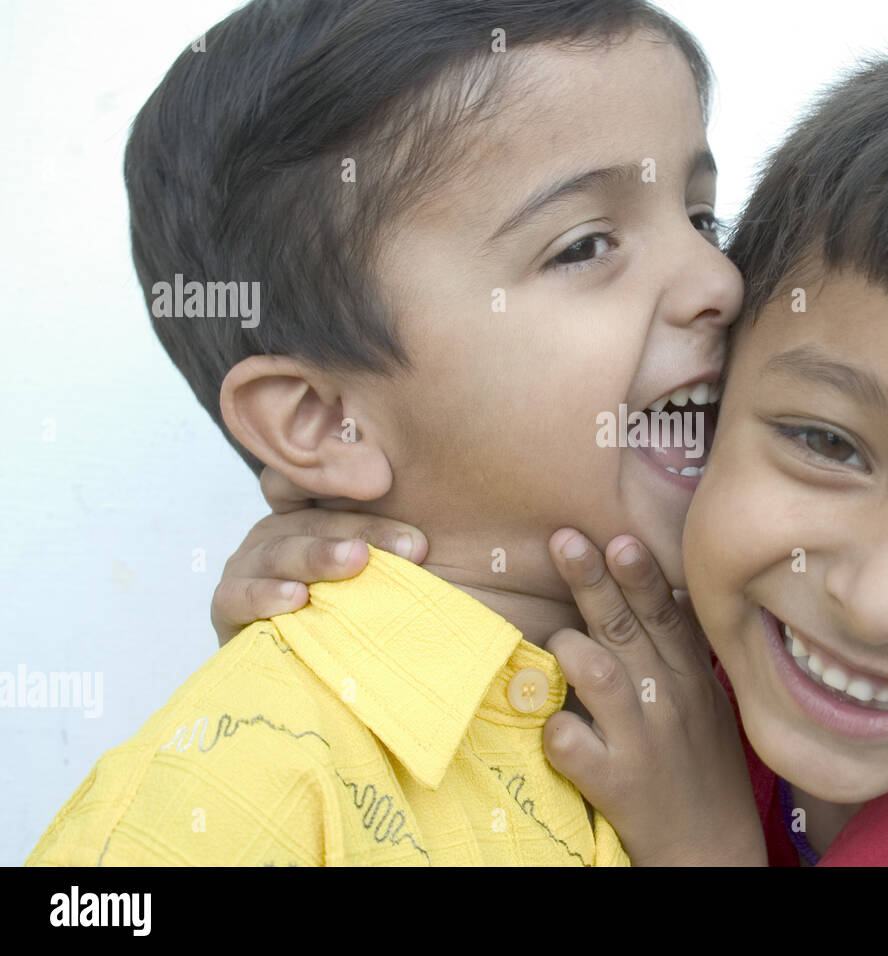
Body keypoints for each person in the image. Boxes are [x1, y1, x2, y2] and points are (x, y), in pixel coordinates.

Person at [217, 18, 888, 865]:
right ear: (720, 392)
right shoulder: (669, 602)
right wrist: (347, 605)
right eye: (828, 442)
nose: (878, 600)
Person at [27, 0, 762, 867]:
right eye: (584, 245)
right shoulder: (230, 795)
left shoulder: (787, 665)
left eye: (703, 219)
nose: (717, 277)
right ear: (325, 421)